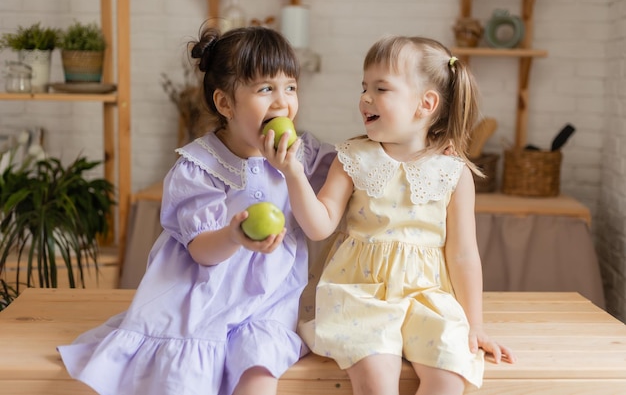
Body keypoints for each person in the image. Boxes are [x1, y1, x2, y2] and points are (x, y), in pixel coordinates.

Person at [57, 25, 335, 395]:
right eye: (265, 88)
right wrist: (235, 235)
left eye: (290, 87)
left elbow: (334, 201)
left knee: (259, 372)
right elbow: (201, 250)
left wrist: (292, 171)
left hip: (268, 303)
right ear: (225, 104)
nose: (282, 102)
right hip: (203, 295)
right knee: (184, 376)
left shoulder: (303, 155)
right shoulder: (199, 167)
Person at [260, 35, 516, 395]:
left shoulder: (453, 173)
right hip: (360, 295)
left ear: (425, 104)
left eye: (381, 88)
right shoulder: (351, 158)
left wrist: (475, 324)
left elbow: (463, 255)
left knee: (450, 375)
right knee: (377, 381)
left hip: (428, 297)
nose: (365, 98)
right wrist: (292, 172)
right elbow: (319, 226)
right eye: (364, 87)